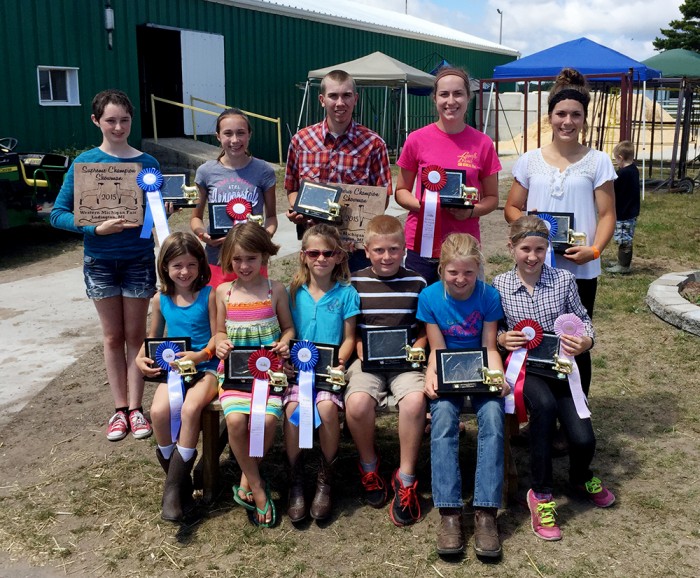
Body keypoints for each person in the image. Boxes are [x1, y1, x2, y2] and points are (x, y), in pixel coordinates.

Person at [493, 215, 615, 541]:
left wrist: (586, 340)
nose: (532, 256)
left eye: (539, 249)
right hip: (525, 369)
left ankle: (579, 476)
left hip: (560, 367)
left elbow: (583, 319)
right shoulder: (500, 284)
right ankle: (541, 493)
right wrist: (503, 340)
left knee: (583, 438)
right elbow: (496, 329)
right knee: (543, 408)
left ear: (548, 249)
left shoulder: (563, 280)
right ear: (511, 248)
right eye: (525, 249)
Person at [50, 89, 160, 442]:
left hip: (138, 259)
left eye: (124, 120)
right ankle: (119, 409)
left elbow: (152, 220)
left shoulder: (148, 164)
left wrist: (158, 216)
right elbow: (56, 214)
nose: (118, 126)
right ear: (96, 120)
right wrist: (93, 228)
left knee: (135, 336)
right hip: (99, 261)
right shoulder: (84, 164)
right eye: (111, 120)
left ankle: (137, 409)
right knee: (113, 336)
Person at [504, 67, 616, 397]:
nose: (568, 121)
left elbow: (608, 214)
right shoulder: (529, 161)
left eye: (576, 115)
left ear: (584, 119)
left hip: (580, 267)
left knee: (575, 339)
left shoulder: (598, 162)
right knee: (534, 336)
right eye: (561, 113)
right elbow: (511, 208)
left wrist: (594, 250)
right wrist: (527, 221)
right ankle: (539, 409)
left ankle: (573, 415)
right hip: (536, 267)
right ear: (550, 116)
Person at [417, 233, 509, 559]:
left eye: (468, 272)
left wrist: (498, 376)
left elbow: (489, 345)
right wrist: (432, 373)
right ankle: (450, 512)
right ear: (441, 269)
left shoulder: (488, 296)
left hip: (480, 370)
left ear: (478, 269)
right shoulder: (429, 297)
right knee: (441, 416)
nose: (460, 279)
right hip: (448, 369)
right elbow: (436, 347)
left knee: (495, 418)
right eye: (453, 272)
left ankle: (486, 511)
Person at [345, 215, 427, 527]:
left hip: (406, 362)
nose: (387, 257)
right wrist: (359, 350)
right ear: (366, 251)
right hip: (367, 361)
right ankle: (369, 465)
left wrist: (419, 346)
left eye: (394, 249)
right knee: (357, 403)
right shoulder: (355, 283)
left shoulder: (417, 282)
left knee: (415, 402)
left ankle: (405, 477)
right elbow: (351, 330)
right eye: (379, 250)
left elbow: (423, 328)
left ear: (405, 249)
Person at [214, 222, 294, 527]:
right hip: (234, 374)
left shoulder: (276, 290)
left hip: (269, 373)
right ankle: (258, 486)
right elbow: (220, 331)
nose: (244, 265)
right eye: (237, 260)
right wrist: (221, 343)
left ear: (264, 257)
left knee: (268, 419)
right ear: (228, 260)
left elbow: (288, 328)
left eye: (251, 258)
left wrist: (285, 342)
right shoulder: (224, 292)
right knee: (235, 420)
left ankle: (247, 480)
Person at [135, 232, 218, 523]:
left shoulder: (210, 295)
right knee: (158, 411)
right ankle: (180, 483)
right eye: (177, 266)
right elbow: (152, 339)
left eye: (191, 265)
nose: (185, 272)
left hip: (206, 368)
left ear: (201, 265)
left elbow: (218, 336)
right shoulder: (160, 300)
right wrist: (139, 358)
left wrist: (201, 355)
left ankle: (171, 489)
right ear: (165, 268)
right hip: (173, 373)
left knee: (190, 408)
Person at [395, 66, 501, 285]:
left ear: (468, 98)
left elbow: (492, 198)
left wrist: (471, 212)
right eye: (444, 94)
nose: (450, 101)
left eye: (458, 93)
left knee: (461, 312)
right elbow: (401, 191)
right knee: (421, 309)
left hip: (465, 247)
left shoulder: (483, 144)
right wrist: (425, 205)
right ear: (434, 98)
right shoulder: (416, 139)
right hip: (421, 244)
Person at [284, 224, 360, 522]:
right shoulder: (292, 291)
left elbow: (350, 337)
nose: (321, 259)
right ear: (303, 256)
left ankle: (326, 478)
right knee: (292, 409)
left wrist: (340, 361)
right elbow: (286, 332)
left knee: (327, 409)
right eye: (314, 252)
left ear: (339, 256)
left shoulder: (347, 293)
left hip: (329, 373)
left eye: (328, 253)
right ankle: (296, 479)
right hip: (297, 373)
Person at [284, 69, 392, 271]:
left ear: (356, 98)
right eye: (333, 96)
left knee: (354, 300)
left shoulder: (373, 144)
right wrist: (297, 209)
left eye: (346, 95)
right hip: (315, 249)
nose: (340, 103)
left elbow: (382, 197)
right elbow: (292, 188)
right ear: (322, 99)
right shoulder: (301, 141)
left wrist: (357, 229)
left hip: (354, 250)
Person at [191, 108, 277, 287]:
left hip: (253, 260)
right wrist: (204, 236)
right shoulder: (206, 172)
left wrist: (261, 238)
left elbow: (271, 218)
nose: (235, 140)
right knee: (218, 312)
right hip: (217, 259)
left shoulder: (264, 171)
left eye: (241, 133)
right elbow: (196, 218)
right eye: (228, 133)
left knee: (253, 311)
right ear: (218, 136)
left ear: (249, 135)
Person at [606, 140, 640, 274]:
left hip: (624, 213)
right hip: (631, 210)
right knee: (624, 237)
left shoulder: (623, 174)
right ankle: (621, 261)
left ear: (620, 157)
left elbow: (614, 189)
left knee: (624, 239)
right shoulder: (634, 170)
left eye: (616, 159)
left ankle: (624, 266)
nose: (616, 162)